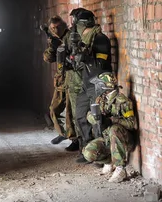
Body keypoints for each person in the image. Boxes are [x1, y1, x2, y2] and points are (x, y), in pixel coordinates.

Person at [71, 9, 113, 163]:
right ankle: (87, 149)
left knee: (98, 119)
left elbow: (101, 64)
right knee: (80, 115)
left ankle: (101, 155)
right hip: (86, 82)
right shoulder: (84, 41)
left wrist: (87, 58)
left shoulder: (100, 39)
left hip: (99, 83)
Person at [83, 72, 137, 183]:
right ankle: (109, 162)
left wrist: (113, 120)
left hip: (124, 140)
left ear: (105, 86)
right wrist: (97, 119)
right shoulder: (101, 99)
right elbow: (89, 115)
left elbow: (132, 124)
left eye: (99, 84)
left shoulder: (123, 102)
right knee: (88, 153)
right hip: (108, 139)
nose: (96, 86)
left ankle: (120, 168)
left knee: (114, 129)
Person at [43, 16, 76, 145]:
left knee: (70, 112)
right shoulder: (54, 39)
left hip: (72, 79)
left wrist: (63, 47)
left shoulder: (71, 37)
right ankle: (63, 133)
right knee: (54, 109)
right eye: (52, 28)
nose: (55, 30)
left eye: (57, 27)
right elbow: (48, 58)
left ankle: (74, 139)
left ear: (63, 26)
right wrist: (53, 46)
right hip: (61, 80)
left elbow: (75, 56)